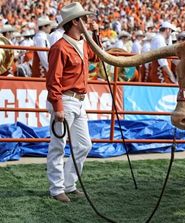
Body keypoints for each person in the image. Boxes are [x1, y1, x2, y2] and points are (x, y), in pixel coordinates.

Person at [46, 2, 99, 203]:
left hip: (77, 100)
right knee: (58, 145)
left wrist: (96, 34)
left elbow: (96, 56)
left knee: (84, 144)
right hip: (65, 100)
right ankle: (57, 188)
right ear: (75, 21)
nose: (88, 21)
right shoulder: (59, 47)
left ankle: (68, 184)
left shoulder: (83, 43)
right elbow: (53, 81)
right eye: (85, 19)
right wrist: (57, 106)